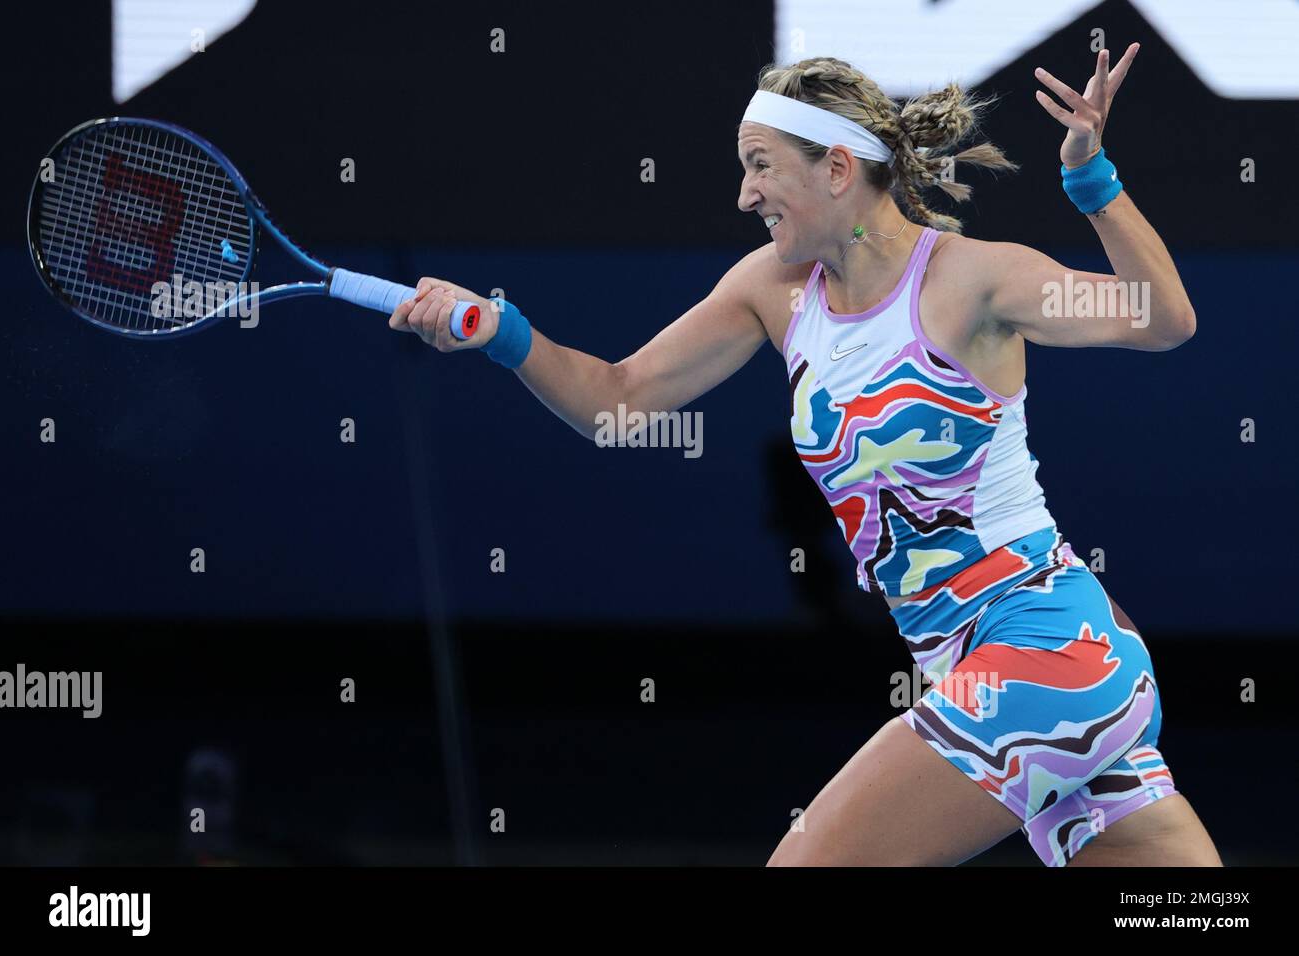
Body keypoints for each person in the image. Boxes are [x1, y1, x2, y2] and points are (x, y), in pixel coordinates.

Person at [389, 44, 1221, 867]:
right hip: (1000, 664)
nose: (745, 194)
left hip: (1045, 650)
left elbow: (1163, 319)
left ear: (833, 170)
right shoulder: (770, 290)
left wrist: (1089, 177)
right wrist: (501, 332)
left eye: (760, 165)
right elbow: (620, 403)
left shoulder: (975, 280)